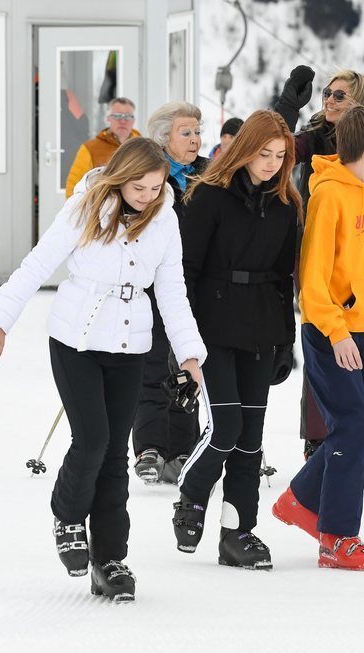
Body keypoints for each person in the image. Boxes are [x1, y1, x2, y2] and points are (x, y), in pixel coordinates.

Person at [0, 138, 206, 602]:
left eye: (156, 187)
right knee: (93, 438)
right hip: (75, 340)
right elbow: (38, 261)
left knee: (114, 453)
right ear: (120, 178)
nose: (147, 195)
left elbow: (173, 290)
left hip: (129, 344)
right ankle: (68, 517)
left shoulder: (164, 219)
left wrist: (189, 354)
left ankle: (110, 558)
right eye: (138, 187)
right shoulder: (87, 206)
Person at [270, 106, 364, 571]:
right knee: (350, 427)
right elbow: (313, 278)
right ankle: (336, 536)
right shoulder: (329, 197)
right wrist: (337, 330)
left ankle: (300, 498)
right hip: (332, 334)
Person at [170, 110, 299, 570]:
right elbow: (183, 271)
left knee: (251, 439)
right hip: (213, 326)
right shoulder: (208, 196)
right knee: (226, 428)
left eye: (280, 156)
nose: (270, 164)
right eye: (263, 154)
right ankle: (192, 493)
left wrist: (287, 341)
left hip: (262, 329)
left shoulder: (287, 204)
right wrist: (181, 339)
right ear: (244, 149)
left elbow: (287, 279)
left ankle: (238, 532)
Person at [291, 69, 364, 460]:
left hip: (360, 265)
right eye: (327, 94)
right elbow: (274, 148)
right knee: (323, 345)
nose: (329, 101)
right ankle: (319, 439)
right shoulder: (314, 137)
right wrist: (290, 104)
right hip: (319, 248)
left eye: (340, 96)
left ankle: (345, 443)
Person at [131, 102, 209, 484]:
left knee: (186, 366)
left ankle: (182, 449)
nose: (195, 139)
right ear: (164, 138)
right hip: (151, 284)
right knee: (151, 365)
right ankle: (149, 448)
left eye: (197, 131)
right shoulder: (149, 177)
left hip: (194, 286)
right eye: (186, 132)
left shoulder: (210, 174)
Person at [64, 97, 140, 197]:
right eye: (117, 116)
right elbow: (73, 186)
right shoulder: (90, 148)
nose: (122, 121)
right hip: (101, 208)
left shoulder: (143, 148)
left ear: (134, 120)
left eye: (128, 116)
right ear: (108, 118)